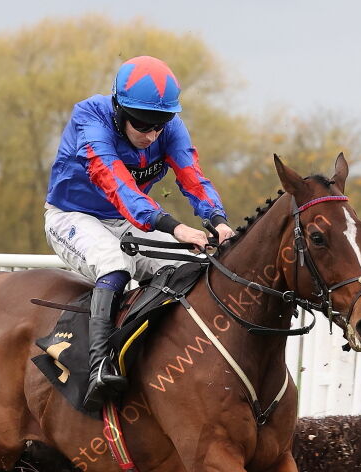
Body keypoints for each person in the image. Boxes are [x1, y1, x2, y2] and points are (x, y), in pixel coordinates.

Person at [44, 55, 234, 412]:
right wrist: (176, 228)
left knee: (183, 269)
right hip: (72, 216)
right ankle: (98, 365)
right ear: (119, 109)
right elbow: (119, 186)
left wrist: (218, 221)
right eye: (143, 125)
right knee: (115, 266)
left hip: (128, 220)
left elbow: (192, 177)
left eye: (160, 126)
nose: (151, 136)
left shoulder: (169, 128)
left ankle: (152, 353)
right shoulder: (90, 118)